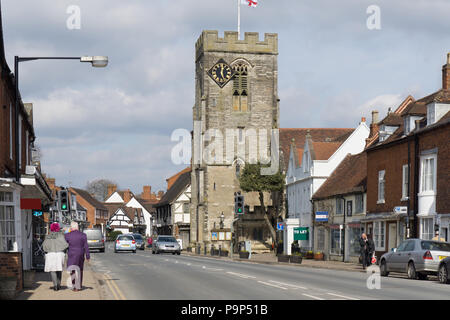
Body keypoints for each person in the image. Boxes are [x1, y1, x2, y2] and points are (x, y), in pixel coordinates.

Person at [64, 221, 90, 291]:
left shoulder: (67, 235)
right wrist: (88, 256)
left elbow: (64, 246)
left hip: (71, 254)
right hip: (80, 254)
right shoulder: (83, 235)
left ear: (71, 227)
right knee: (80, 270)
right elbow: (86, 246)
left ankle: (74, 286)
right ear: (77, 227)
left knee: (72, 270)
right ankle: (79, 286)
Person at [42, 223, 68, 291]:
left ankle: (55, 286)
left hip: (50, 254)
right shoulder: (61, 235)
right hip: (59, 254)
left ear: (51, 228)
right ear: (58, 228)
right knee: (59, 270)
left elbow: (44, 246)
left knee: (53, 270)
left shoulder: (48, 236)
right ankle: (59, 284)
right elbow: (65, 245)